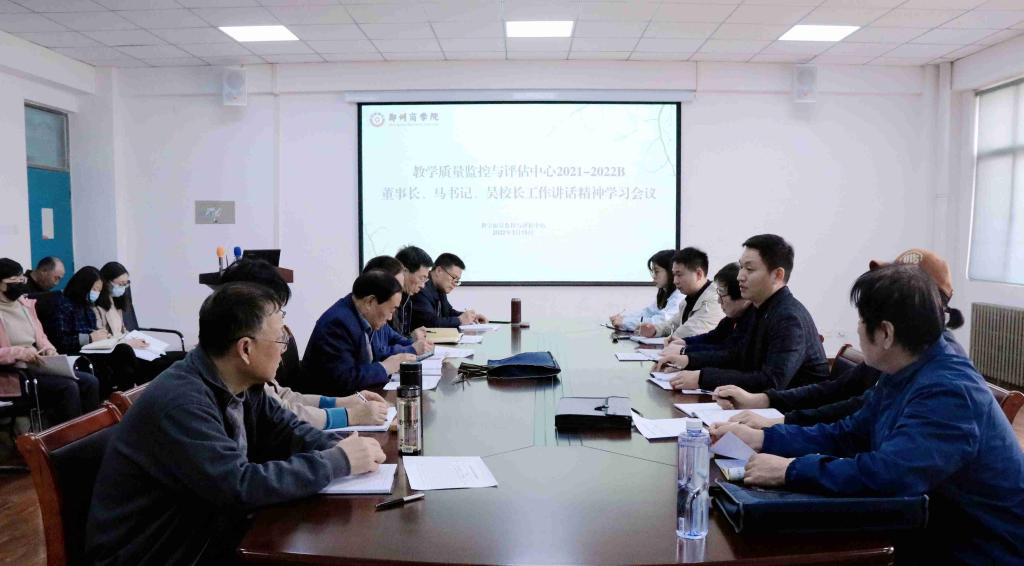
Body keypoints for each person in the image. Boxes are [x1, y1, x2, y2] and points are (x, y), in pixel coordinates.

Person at [711, 265, 1024, 564]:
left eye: (861, 320)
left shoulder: (948, 391)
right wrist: (764, 438)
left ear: (885, 333)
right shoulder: (907, 364)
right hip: (925, 526)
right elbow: (849, 432)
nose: (858, 328)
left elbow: (890, 475)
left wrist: (791, 470)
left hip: (976, 549)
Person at [87, 282, 387, 565]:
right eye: (280, 339)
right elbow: (239, 486)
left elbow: (289, 431)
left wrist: (342, 447)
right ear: (245, 349)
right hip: (159, 553)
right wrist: (337, 461)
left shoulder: (242, 384)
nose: (284, 349)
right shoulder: (183, 402)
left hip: (203, 532)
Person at [713, 248, 968, 429]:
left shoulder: (942, 382)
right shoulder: (898, 354)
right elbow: (843, 396)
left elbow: (888, 467)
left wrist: (784, 447)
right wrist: (769, 409)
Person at [218, 258, 389, 429]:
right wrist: (350, 415)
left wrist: (343, 403)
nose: (282, 331)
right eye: (275, 310)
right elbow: (283, 413)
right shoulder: (215, 387)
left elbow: (284, 396)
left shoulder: (248, 367)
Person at [655, 235, 828, 392]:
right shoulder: (760, 308)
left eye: (749, 269)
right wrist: (689, 359)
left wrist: (702, 378)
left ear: (777, 275)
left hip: (792, 411)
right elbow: (735, 355)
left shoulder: (788, 317)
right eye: (741, 267)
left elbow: (771, 381)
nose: (740, 276)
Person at [0, 258, 99, 424]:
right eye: (14, 281)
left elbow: (41, 337)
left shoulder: (25, 305)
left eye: (21, 279)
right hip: (14, 374)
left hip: (37, 365)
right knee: (68, 387)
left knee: (90, 382)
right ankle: (71, 437)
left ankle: (93, 431)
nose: (20, 284)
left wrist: (49, 349)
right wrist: (19, 353)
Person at [300, 271, 416, 397]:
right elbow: (345, 379)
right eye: (391, 310)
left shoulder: (363, 316)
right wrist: (385, 367)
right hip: (327, 401)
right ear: (370, 302)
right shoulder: (339, 323)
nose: (390, 317)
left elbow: (375, 355)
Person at [47, 266, 138, 393]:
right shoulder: (63, 306)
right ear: (83, 286)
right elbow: (60, 341)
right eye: (94, 289)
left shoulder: (87, 306)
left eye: (99, 290)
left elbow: (92, 330)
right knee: (116, 359)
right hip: (76, 353)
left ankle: (127, 393)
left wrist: (103, 337)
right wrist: (90, 338)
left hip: (92, 349)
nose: (96, 293)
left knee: (123, 350)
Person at [658, 263, 753, 360]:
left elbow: (727, 351)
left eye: (722, 294)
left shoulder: (752, 321)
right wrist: (684, 342)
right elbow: (712, 337)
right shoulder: (731, 319)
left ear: (741, 294)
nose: (719, 301)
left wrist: (685, 351)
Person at [636, 247, 724, 340]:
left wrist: (668, 339)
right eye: (674, 275)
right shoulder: (687, 300)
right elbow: (673, 324)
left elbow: (690, 331)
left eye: (679, 275)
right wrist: (655, 330)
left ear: (698, 274)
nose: (675, 281)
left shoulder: (715, 299)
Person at [362, 255, 433, 359]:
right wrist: (412, 348)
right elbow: (378, 353)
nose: (423, 286)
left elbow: (393, 337)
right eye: (396, 287)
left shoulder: (399, 301)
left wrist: (415, 344)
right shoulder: (351, 319)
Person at [609, 249, 683, 332]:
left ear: (671, 272)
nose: (653, 276)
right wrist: (624, 318)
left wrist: (625, 322)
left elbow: (661, 322)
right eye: (652, 272)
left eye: (656, 271)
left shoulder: (679, 296)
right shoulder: (665, 293)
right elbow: (648, 312)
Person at [411, 252, 487, 328]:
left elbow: (448, 312)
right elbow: (429, 323)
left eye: (457, 280)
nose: (455, 284)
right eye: (453, 278)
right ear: (439, 271)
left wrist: (471, 317)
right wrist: (460, 320)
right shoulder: (421, 287)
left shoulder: (440, 288)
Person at [392, 245, 432, 337]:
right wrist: (411, 338)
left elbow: (399, 337)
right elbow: (386, 343)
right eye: (422, 278)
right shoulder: (387, 299)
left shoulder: (408, 299)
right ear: (404, 271)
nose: (423, 286)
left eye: (425, 280)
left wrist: (411, 336)